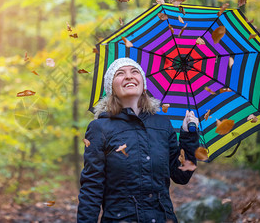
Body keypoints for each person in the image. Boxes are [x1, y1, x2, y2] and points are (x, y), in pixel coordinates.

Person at [77, 57, 200, 223]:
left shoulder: (162, 125)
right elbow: (92, 188)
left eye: (134, 72)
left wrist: (188, 135)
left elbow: (181, 176)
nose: (129, 76)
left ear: (143, 84)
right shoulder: (100, 128)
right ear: (111, 88)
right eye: (120, 73)